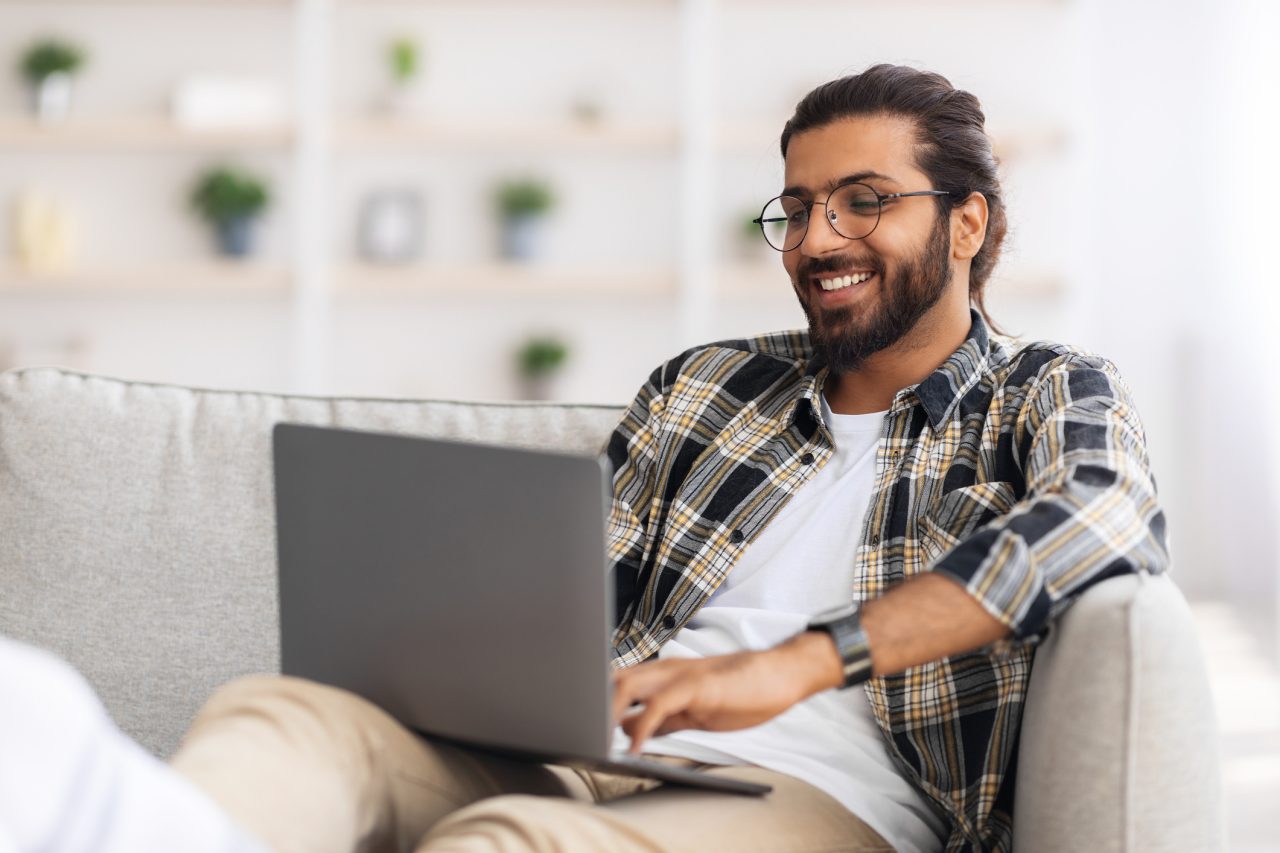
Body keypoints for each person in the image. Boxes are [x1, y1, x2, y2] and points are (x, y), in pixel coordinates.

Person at [163, 64, 1169, 853]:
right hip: (597, 750)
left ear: (965, 221)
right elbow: (575, 597)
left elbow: (1102, 521)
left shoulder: (1048, 390)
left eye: (862, 201)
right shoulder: (704, 387)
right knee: (277, 717)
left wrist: (795, 664)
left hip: (828, 796)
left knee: (513, 843)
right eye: (797, 208)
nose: (817, 239)